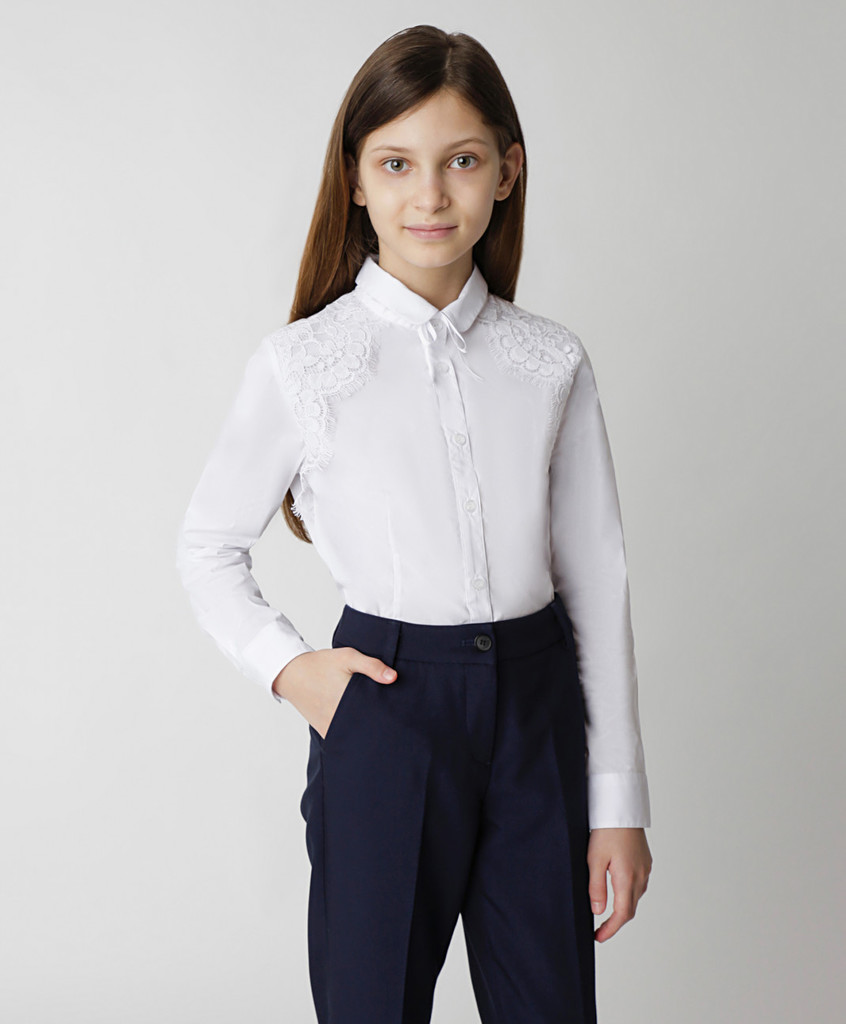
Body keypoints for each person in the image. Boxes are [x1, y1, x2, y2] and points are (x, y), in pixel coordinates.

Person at [175, 23, 652, 1024]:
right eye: (396, 164)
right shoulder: (304, 364)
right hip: (388, 707)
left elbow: (596, 580)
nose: (429, 195)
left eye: (461, 161)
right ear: (355, 179)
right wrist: (292, 670)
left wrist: (618, 801)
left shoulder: (549, 363)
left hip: (535, 711)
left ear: (507, 171)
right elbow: (208, 546)